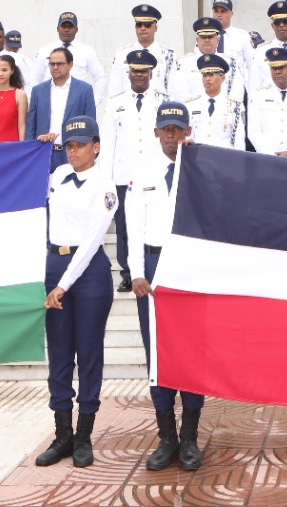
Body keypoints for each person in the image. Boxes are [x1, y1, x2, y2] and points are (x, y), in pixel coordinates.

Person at [129, 102, 208, 472]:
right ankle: (167, 437)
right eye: (167, 130)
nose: (173, 136)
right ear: (156, 132)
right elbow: (133, 227)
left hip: (190, 264)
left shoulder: (201, 170)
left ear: (187, 131)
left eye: (179, 129)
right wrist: (135, 272)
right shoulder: (143, 172)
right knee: (157, 350)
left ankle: (190, 436)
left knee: (192, 349)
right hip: (153, 264)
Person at [36, 115, 118, 469]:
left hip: (88, 275)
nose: (74, 151)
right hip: (55, 265)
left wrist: (62, 285)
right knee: (59, 354)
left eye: (80, 145)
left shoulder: (105, 185)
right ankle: (62, 435)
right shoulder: (56, 176)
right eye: (69, 145)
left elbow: (89, 243)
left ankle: (84, 435)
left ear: (95, 146)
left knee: (88, 353)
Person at [101, 50, 161, 291]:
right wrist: (105, 179)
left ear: (150, 73)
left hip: (151, 174)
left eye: (143, 71)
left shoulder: (160, 101)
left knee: (151, 222)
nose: (138, 75)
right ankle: (127, 272)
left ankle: (151, 268)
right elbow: (108, 142)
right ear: (129, 73)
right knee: (125, 226)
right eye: (134, 70)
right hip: (123, 176)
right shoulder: (116, 103)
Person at [28, 47, 96, 170]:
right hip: (43, 152)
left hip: (73, 153)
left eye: (59, 64)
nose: (55, 67)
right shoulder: (37, 91)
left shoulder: (84, 90)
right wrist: (30, 152)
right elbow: (31, 126)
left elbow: (90, 125)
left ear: (71, 64)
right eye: (52, 64)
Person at [111, 5, 180, 99]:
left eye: (147, 24)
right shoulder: (122, 54)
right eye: (139, 25)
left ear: (156, 27)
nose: (143, 28)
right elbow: (115, 89)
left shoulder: (169, 55)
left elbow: (174, 89)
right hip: (128, 108)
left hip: (158, 108)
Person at [38, 11, 107, 105]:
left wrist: (93, 103)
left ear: (76, 29)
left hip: (76, 103)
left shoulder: (87, 51)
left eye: (70, 26)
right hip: (48, 102)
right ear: (57, 29)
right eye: (63, 26)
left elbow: (100, 77)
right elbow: (35, 78)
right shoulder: (44, 51)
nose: (66, 30)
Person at [183, 54, 245, 149]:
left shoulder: (235, 105)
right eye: (204, 75)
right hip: (199, 159)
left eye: (211, 74)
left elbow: (239, 141)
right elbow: (187, 138)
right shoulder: (191, 105)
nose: (207, 79)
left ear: (222, 78)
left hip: (224, 160)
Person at [210, 0, 255, 80]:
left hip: (235, 86)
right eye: (216, 11)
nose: (219, 15)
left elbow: (252, 65)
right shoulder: (206, 37)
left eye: (223, 11)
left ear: (231, 13)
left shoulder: (242, 36)